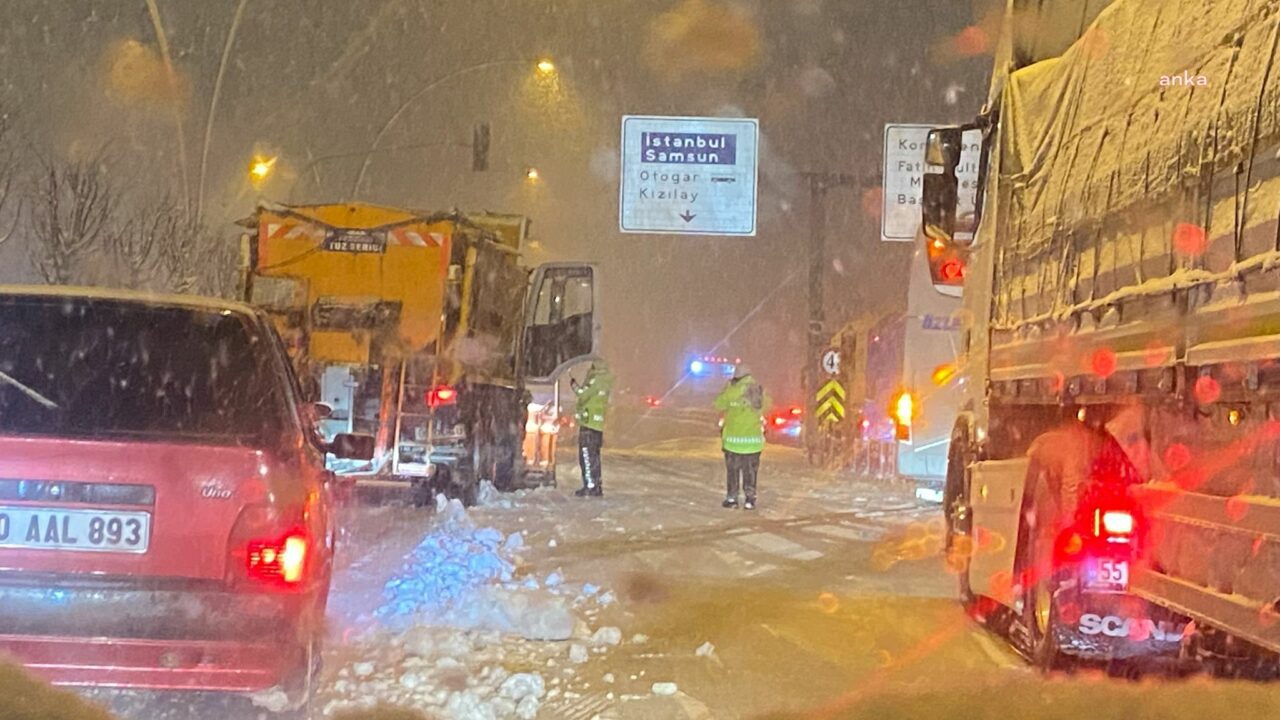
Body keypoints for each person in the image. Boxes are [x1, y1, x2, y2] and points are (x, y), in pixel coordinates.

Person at [714, 365, 771, 509]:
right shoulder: (758, 390)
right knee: (750, 471)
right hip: (753, 442)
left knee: (733, 471)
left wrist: (727, 390)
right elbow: (768, 406)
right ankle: (749, 500)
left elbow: (717, 404)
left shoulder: (730, 390)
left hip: (733, 442)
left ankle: (732, 499)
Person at [571, 359, 613, 497]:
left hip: (588, 423)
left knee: (587, 457)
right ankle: (596, 485)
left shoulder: (596, 378)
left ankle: (590, 486)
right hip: (597, 426)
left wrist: (574, 385)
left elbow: (583, 393)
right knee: (594, 457)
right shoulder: (606, 379)